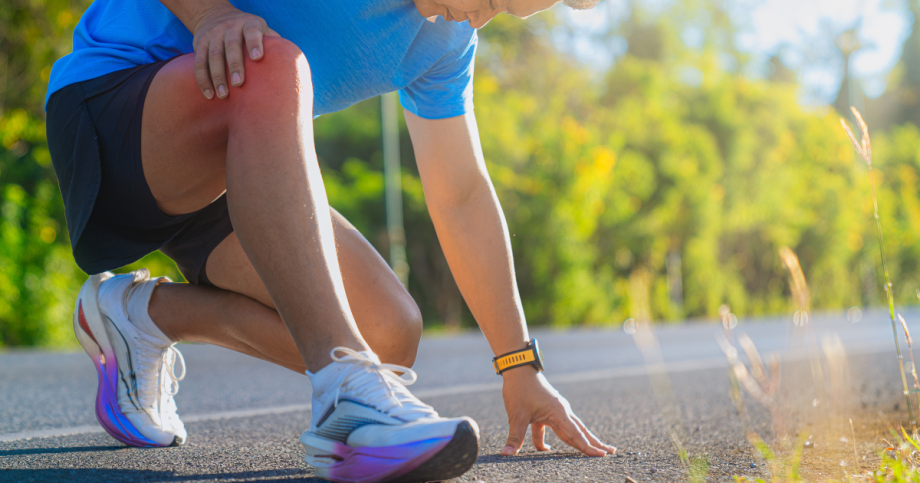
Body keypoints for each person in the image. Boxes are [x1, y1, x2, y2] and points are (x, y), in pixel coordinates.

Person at [45, 0, 617, 481]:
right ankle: (344, 392)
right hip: (119, 104)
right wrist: (211, 14)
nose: (481, 19)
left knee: (389, 335)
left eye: (508, 14)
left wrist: (519, 366)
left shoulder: (447, 39)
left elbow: (461, 194)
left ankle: (144, 314)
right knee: (267, 62)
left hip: (234, 168)